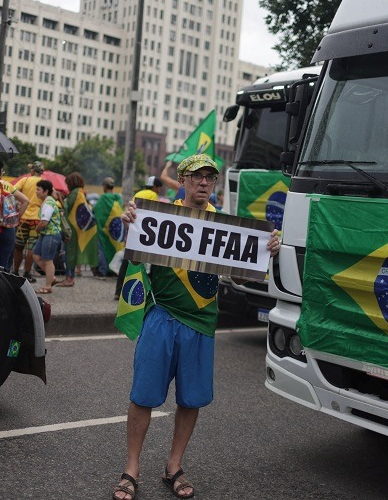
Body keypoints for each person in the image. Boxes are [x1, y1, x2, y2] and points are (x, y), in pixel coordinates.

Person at [112, 154, 281, 500]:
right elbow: (136, 258)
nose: (204, 182)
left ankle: (173, 466)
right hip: (161, 316)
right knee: (142, 396)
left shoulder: (225, 225)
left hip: (202, 323)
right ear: (183, 179)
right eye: (197, 176)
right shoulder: (160, 215)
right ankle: (131, 468)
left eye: (210, 177)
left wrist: (266, 251)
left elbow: (235, 274)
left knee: (190, 400)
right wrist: (131, 224)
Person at [113, 175, 164, 299]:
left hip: (133, 231)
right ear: (156, 187)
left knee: (126, 263)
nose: (159, 191)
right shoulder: (153, 195)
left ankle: (118, 292)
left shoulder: (139, 193)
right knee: (149, 264)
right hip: (146, 233)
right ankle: (148, 293)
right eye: (159, 188)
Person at [60, 172, 96, 287]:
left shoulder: (74, 194)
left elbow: (66, 209)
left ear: (71, 183)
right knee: (72, 255)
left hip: (72, 229)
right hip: (79, 229)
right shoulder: (81, 192)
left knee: (69, 255)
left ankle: (69, 279)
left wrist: (60, 199)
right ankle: (71, 278)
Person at [12, 161, 45, 282]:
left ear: (33, 171)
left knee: (19, 246)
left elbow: (13, 190)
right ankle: (26, 273)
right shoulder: (44, 183)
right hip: (37, 218)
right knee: (32, 247)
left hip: (23, 217)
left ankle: (15, 271)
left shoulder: (25, 180)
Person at [32, 179, 64, 294]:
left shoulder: (49, 203)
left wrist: (37, 229)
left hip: (51, 234)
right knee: (36, 255)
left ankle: (48, 286)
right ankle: (52, 278)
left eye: (38, 189)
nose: (36, 192)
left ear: (46, 191)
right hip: (46, 234)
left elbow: (44, 222)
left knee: (48, 260)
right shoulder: (47, 201)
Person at [93, 176, 123, 279]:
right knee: (114, 249)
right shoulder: (118, 198)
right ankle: (113, 270)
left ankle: (102, 271)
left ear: (105, 187)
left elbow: (96, 210)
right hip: (117, 231)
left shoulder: (103, 198)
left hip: (105, 229)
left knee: (103, 250)